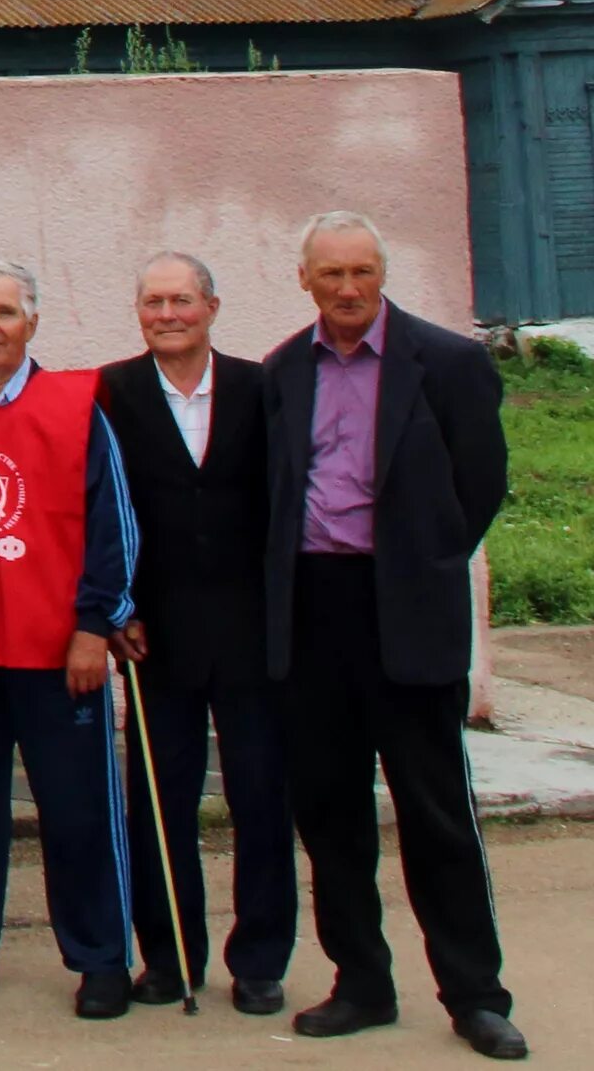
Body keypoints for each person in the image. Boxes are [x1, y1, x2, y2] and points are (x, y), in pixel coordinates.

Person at [262, 213, 523, 1059]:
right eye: (331, 273)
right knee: (331, 813)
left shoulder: (448, 361)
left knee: (436, 813)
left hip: (405, 607)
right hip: (314, 615)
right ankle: (361, 983)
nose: (348, 288)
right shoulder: (280, 372)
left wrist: (425, 559)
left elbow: (481, 482)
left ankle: (475, 994)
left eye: (362, 271)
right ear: (304, 279)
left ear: (383, 272)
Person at [0, 259, 138, 1019]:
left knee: (78, 812)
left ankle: (101, 957)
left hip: (59, 654)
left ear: (32, 323)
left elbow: (116, 525)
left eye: (4, 313)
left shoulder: (78, 405)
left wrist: (95, 624)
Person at [96, 252, 293, 1013]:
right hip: (155, 634)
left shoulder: (260, 386)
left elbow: (284, 501)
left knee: (260, 798)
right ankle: (170, 955)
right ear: (139, 312)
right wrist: (116, 610)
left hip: (252, 633)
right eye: (153, 301)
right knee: (158, 800)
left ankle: (260, 960)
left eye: (182, 300)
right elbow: (99, 511)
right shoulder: (110, 392)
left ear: (212, 306)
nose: (167, 313)